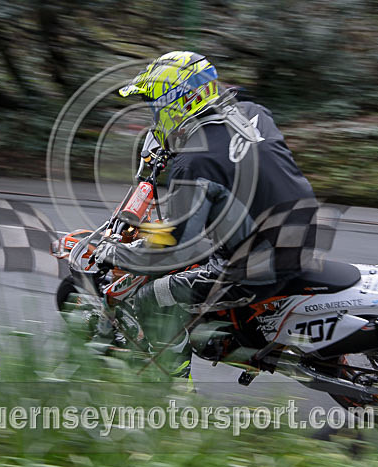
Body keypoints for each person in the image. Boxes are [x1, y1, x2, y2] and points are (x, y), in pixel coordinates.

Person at [92, 51, 318, 379]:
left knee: (149, 298)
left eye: (155, 107)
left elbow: (175, 247)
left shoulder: (194, 162)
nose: (153, 117)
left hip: (258, 266)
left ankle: (175, 391)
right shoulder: (254, 113)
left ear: (177, 104)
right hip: (304, 228)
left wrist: (118, 253)